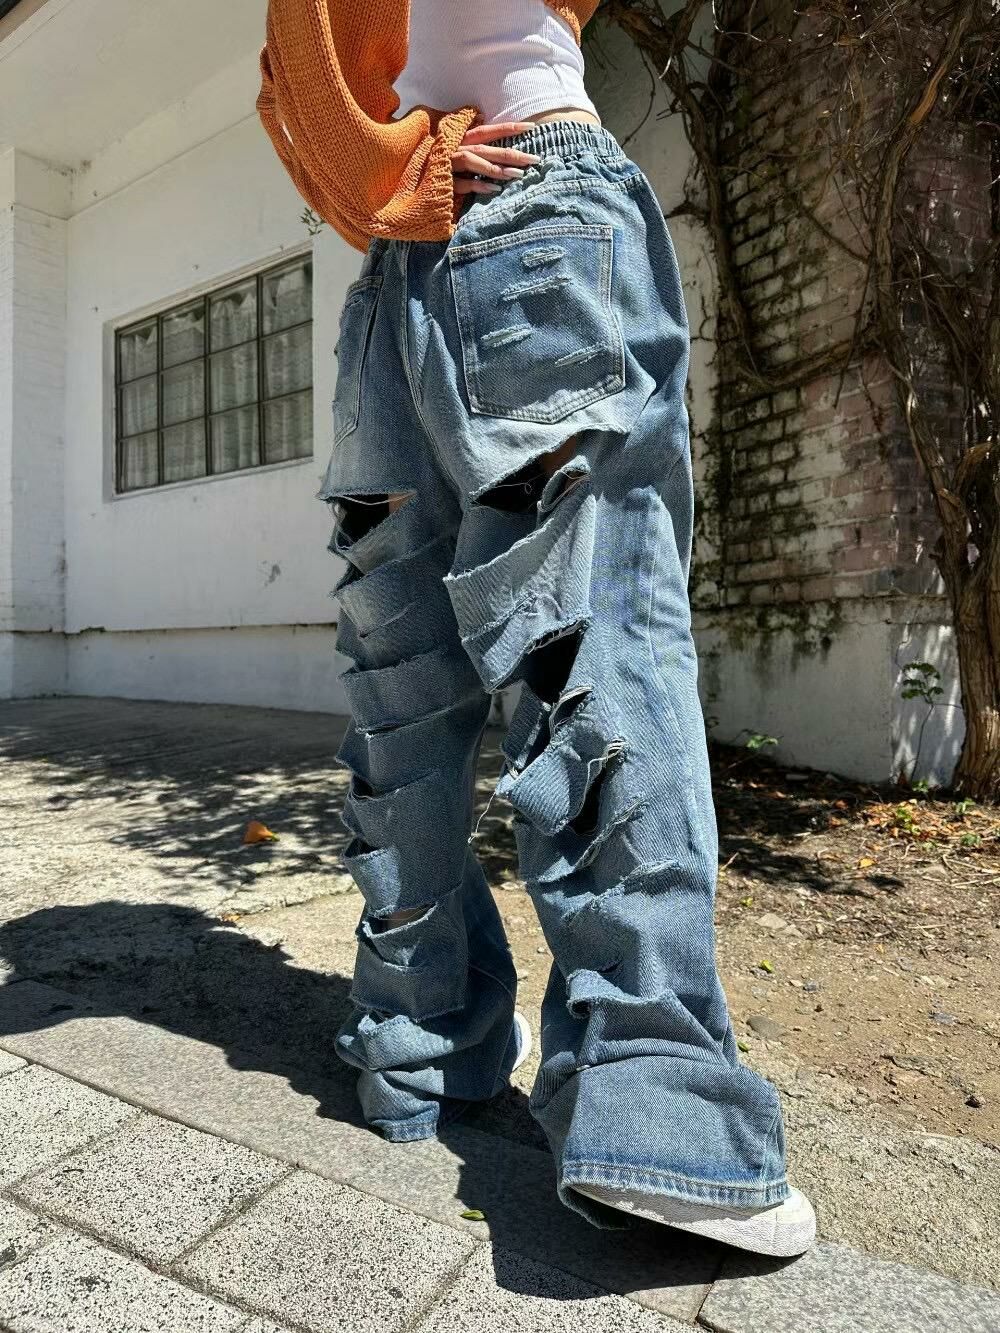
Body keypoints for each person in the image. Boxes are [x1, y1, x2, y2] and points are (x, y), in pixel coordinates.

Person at [258, 0, 816, 1257]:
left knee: (403, 693)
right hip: (532, 214)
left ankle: (416, 1046)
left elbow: (284, 81)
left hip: (389, 292)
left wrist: (390, 180)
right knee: (598, 643)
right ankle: (659, 1112)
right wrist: (403, 171)